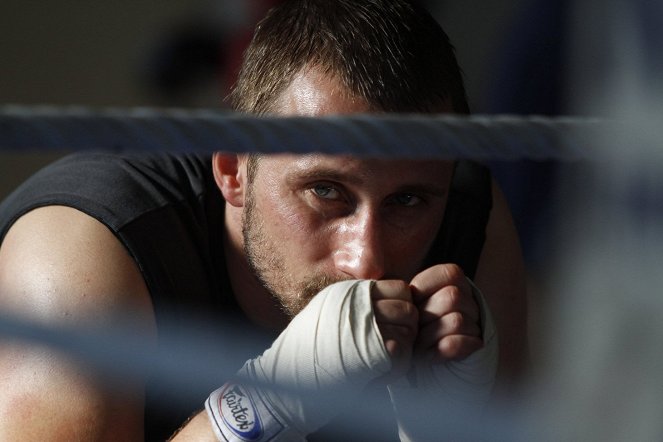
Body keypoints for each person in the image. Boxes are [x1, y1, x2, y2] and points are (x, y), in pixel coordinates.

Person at [0, 0, 527, 440]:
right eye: (326, 191)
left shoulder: (468, 224)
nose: (366, 256)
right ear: (233, 169)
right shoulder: (81, 251)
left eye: (407, 202)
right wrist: (259, 409)